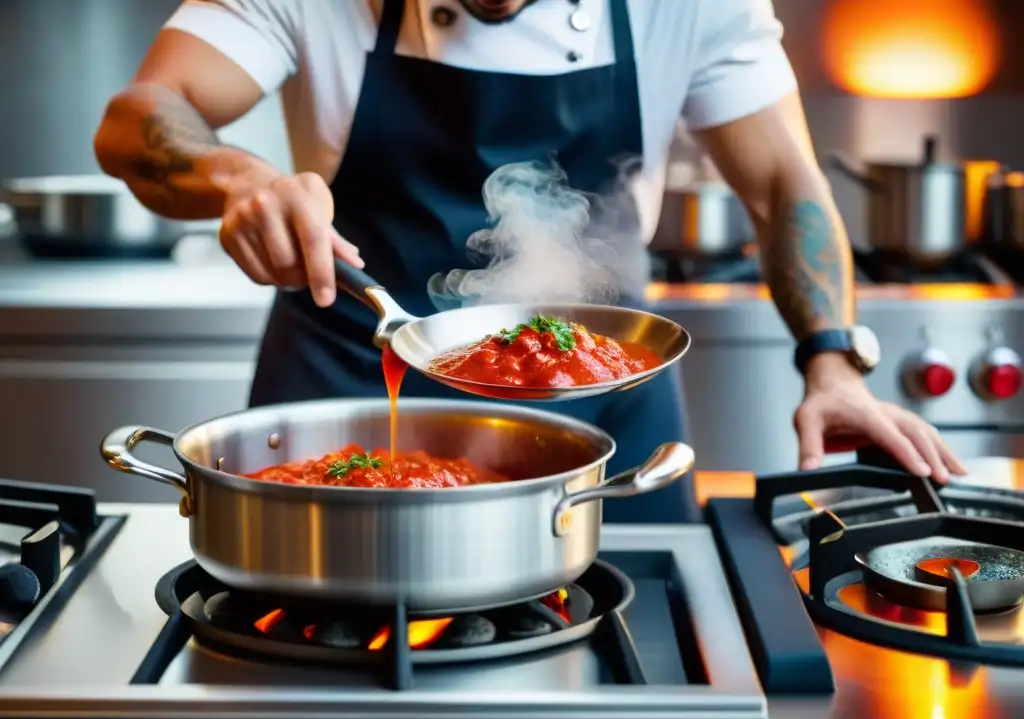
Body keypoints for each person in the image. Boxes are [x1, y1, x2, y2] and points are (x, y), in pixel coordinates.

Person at [93, 0, 965, 524]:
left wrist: (835, 362)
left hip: (603, 422)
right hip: (345, 400)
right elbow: (139, 116)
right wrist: (234, 175)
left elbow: (784, 185)